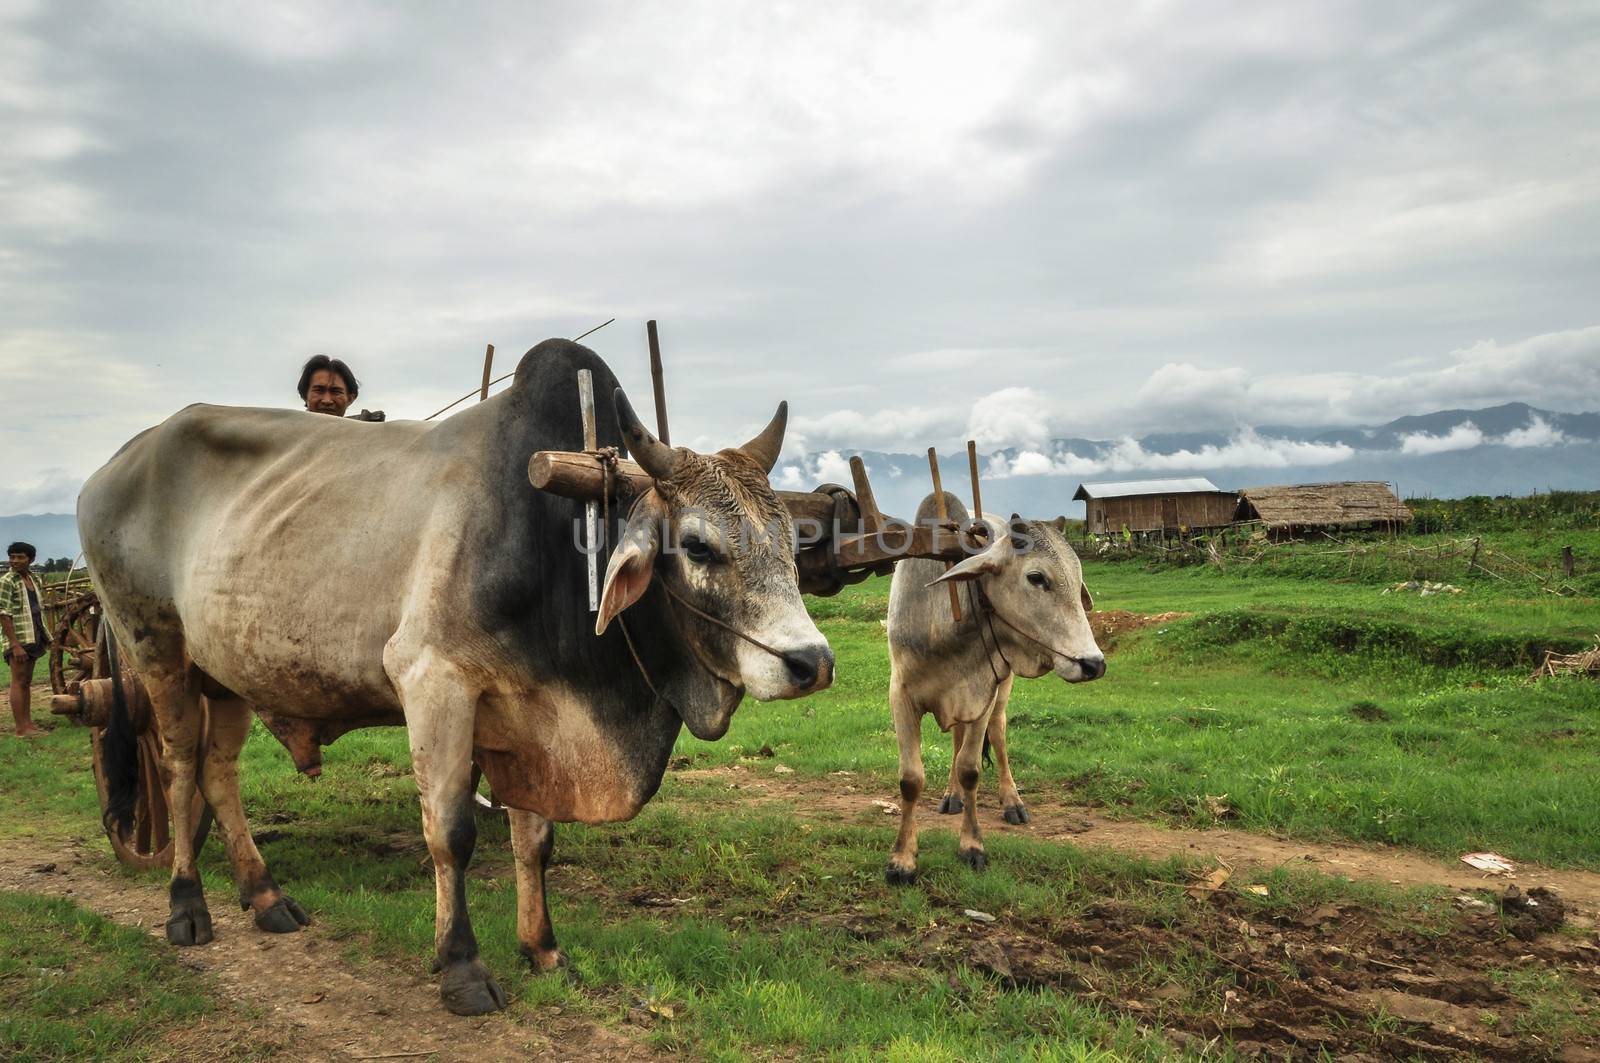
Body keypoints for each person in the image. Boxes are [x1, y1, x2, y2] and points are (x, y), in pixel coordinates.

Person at [1, 541, 48, 737]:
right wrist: (15, 644)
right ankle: (21, 728)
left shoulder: (34, 579)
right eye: (12, 557)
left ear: (31, 559)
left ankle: (28, 723)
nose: (15, 561)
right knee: (18, 680)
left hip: (33, 635)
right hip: (18, 639)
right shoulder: (6, 581)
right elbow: (3, 614)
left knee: (27, 681)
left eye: (20, 557)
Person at [297, 354, 384, 421]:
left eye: (336, 392)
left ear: (350, 398)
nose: (327, 400)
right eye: (319, 390)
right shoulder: (286, 436)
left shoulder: (367, 438)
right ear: (304, 395)